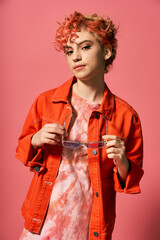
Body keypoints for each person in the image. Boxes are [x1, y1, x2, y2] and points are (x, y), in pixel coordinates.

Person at [16, 11, 144, 240]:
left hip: (89, 224)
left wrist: (122, 160)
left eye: (85, 47)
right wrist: (36, 139)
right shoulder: (45, 102)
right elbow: (23, 151)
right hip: (43, 219)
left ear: (106, 51)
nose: (75, 57)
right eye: (69, 51)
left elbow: (129, 181)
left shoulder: (126, 116)